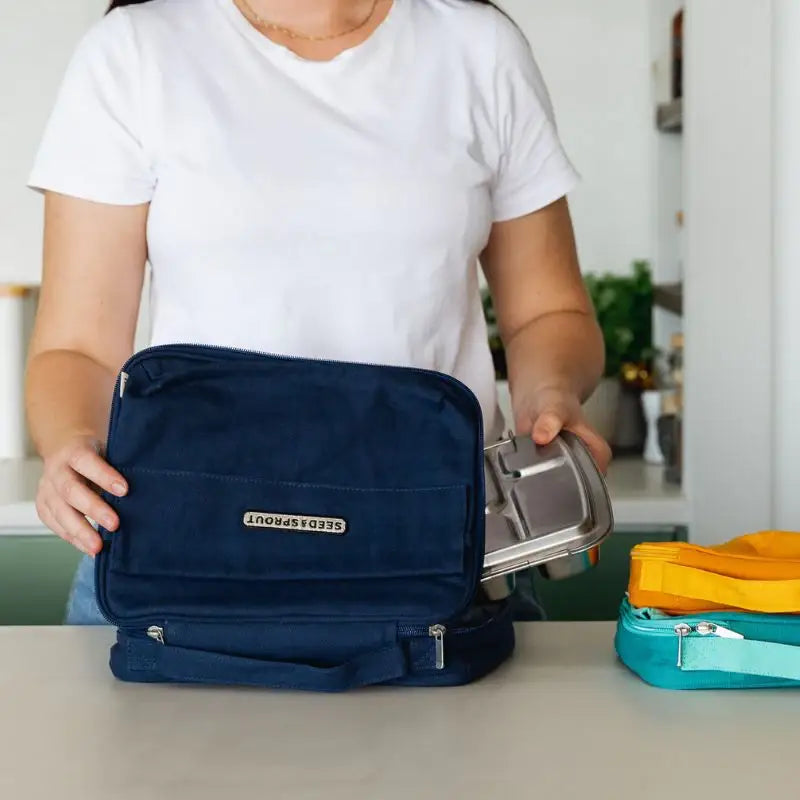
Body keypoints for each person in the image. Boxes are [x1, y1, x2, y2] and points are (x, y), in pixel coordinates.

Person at [25, 0, 611, 626]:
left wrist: (548, 395)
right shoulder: (133, 52)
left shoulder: (478, 48)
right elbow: (79, 347)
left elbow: (546, 311)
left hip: (435, 552)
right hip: (186, 555)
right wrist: (70, 443)